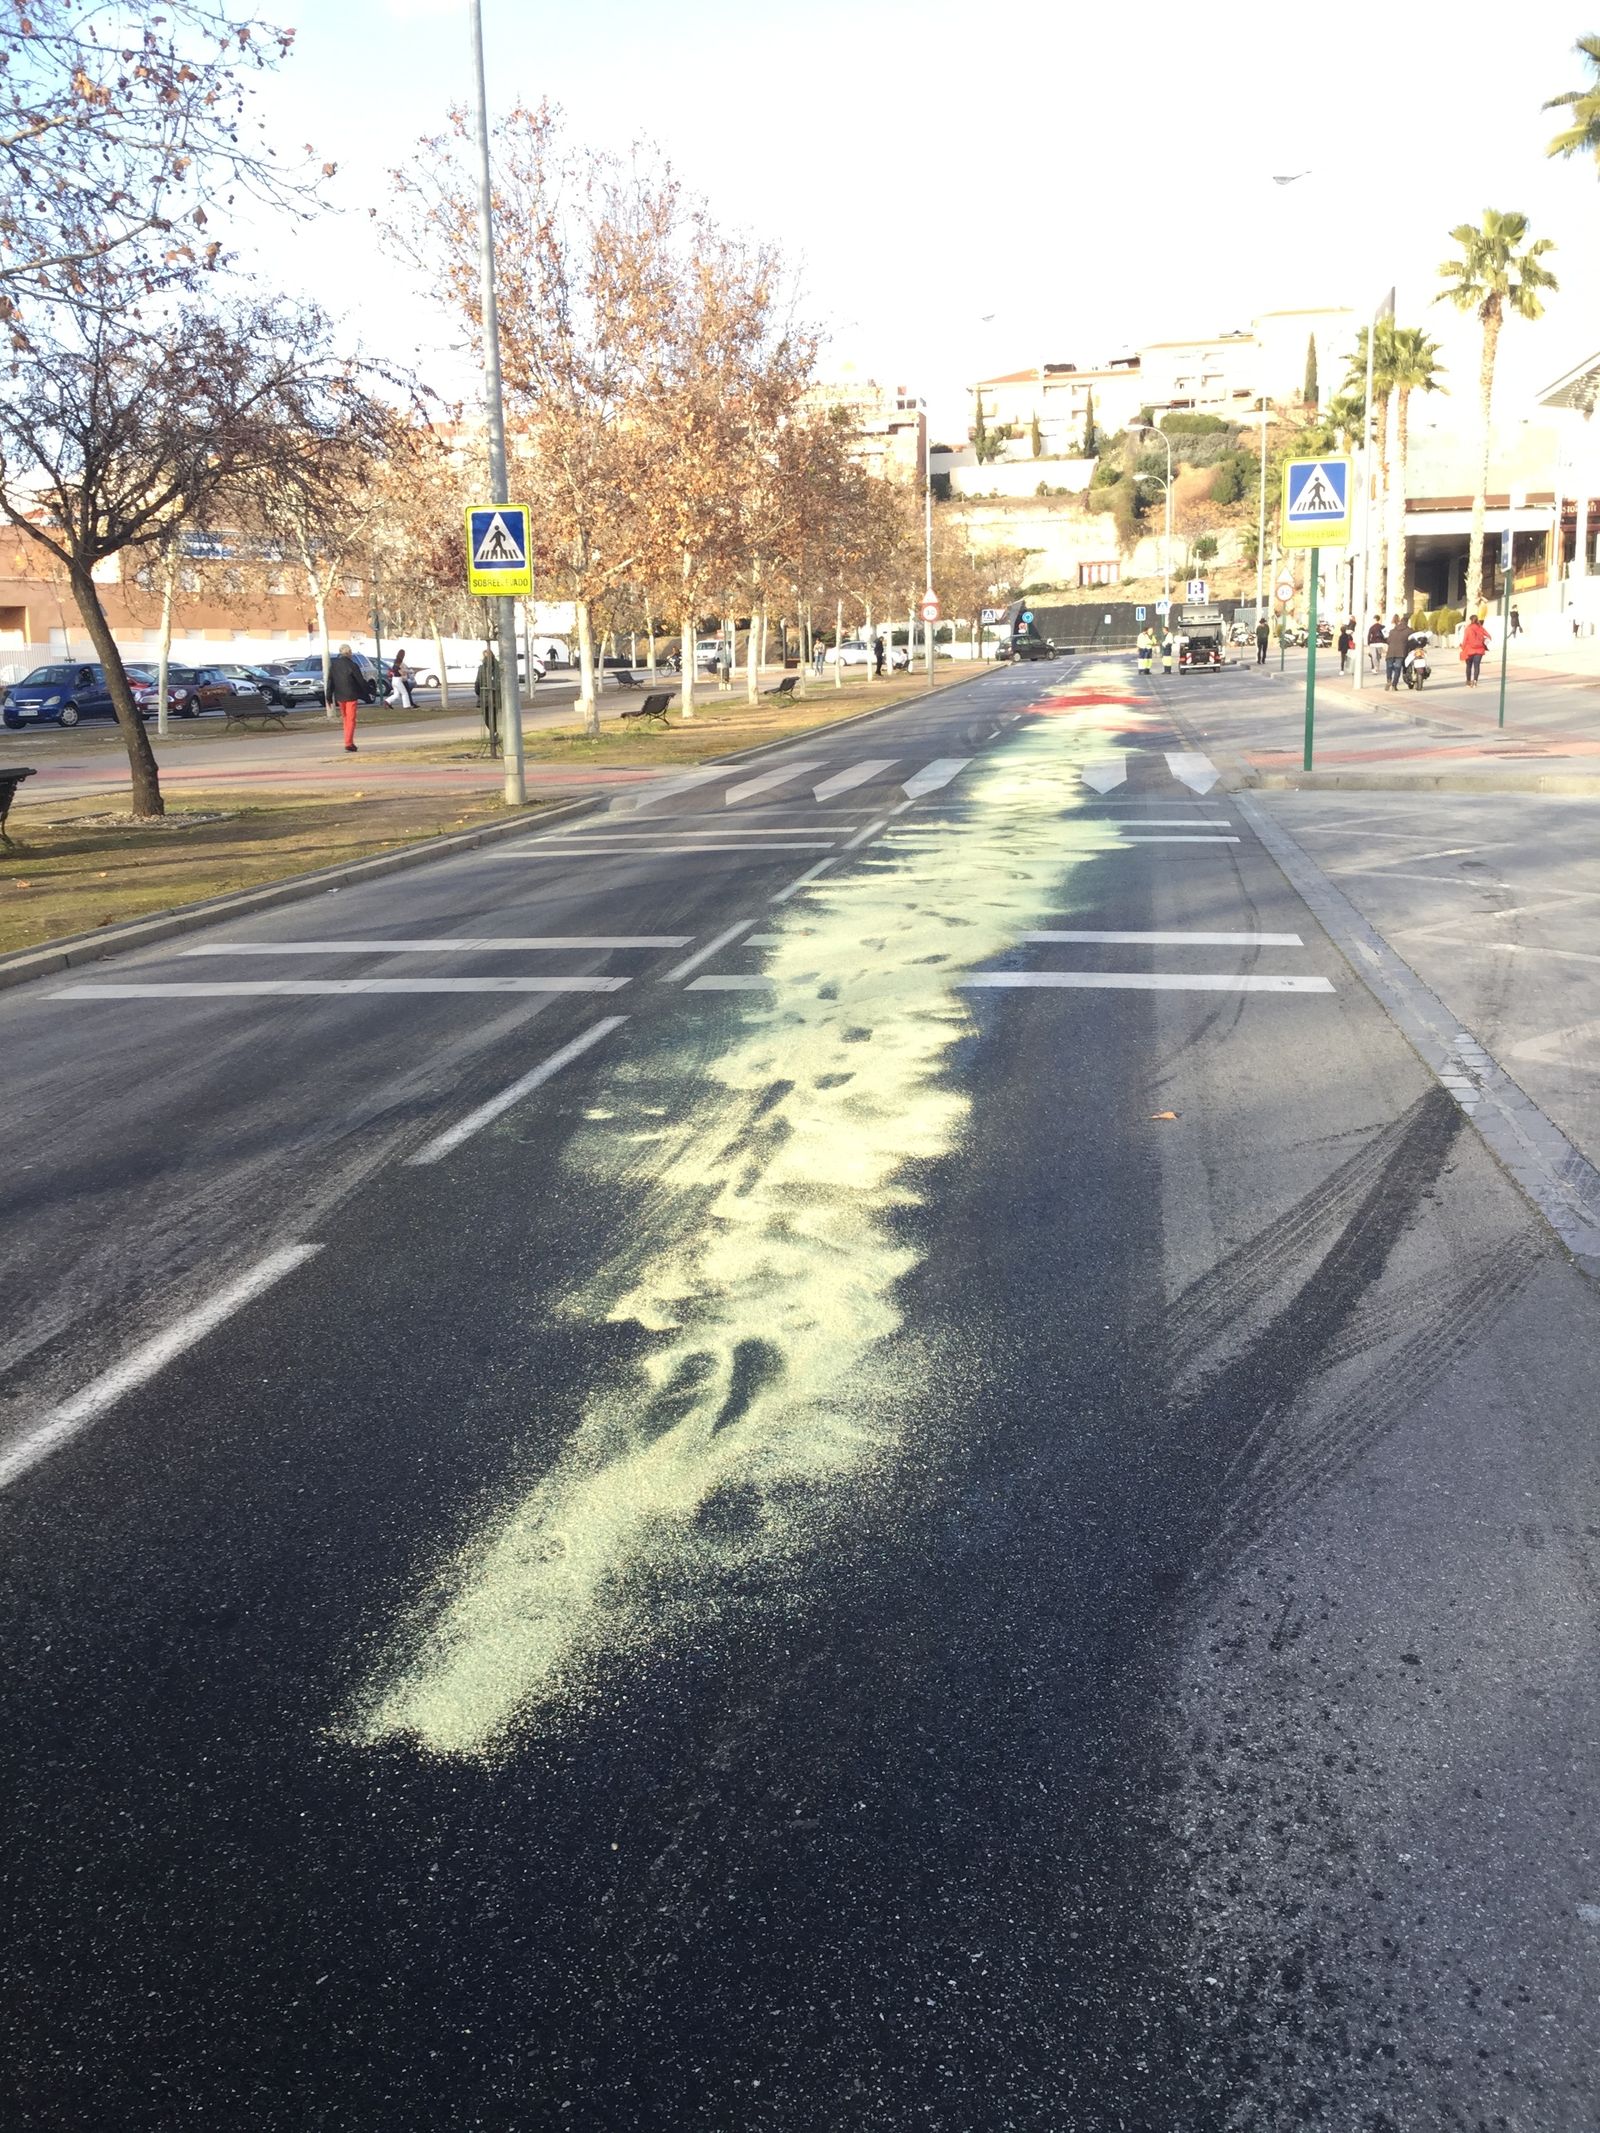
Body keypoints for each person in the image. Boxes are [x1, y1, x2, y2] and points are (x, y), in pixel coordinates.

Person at [327, 641, 364, 752]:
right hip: (351, 695)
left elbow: (330, 681)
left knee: (345, 719)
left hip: (340, 696)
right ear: (349, 653)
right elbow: (360, 681)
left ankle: (348, 741)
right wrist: (368, 691)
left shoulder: (334, 665)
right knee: (351, 719)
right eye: (351, 652)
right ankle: (348, 743)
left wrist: (328, 696)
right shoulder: (353, 665)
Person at [474, 645, 500, 742]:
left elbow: (477, 683)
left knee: (490, 716)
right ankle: (494, 732)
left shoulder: (496, 667)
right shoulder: (482, 668)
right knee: (489, 717)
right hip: (486, 696)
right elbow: (477, 682)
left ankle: (494, 733)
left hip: (491, 696)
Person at [1460, 612, 1490, 686]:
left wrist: (1463, 648)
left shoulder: (1468, 628)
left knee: (1469, 666)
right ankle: (1475, 681)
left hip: (1469, 650)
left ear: (1470, 620)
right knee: (1477, 666)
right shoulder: (1480, 628)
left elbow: (1465, 639)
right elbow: (1489, 636)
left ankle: (1468, 681)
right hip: (1479, 650)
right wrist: (1484, 642)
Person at [1384, 614, 1410, 691]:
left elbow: (1388, 641)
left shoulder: (1392, 631)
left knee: (1389, 667)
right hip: (1401, 652)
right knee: (1397, 669)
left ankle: (1389, 680)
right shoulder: (1409, 631)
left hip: (1390, 652)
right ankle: (1394, 685)